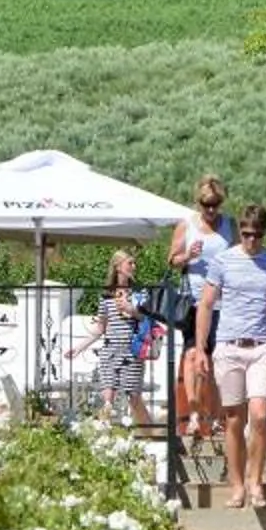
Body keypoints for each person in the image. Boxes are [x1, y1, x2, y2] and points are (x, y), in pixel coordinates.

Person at [194, 205, 266, 508]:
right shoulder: (223, 260)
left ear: (263, 234)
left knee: (261, 415)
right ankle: (237, 483)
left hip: (262, 345)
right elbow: (206, 305)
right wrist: (201, 349)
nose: (251, 240)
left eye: (257, 235)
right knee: (234, 419)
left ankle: (256, 480)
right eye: (247, 234)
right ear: (240, 231)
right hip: (229, 345)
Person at [165, 175, 231, 439]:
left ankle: (214, 417)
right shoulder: (186, 225)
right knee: (193, 355)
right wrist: (187, 256)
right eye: (206, 205)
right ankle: (193, 414)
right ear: (198, 203)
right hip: (194, 300)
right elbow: (172, 260)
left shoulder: (229, 226)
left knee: (216, 360)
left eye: (216, 204)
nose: (211, 210)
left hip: (223, 302)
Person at [84, 250, 151, 429]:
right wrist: (79, 347)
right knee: (108, 395)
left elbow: (149, 319)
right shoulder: (106, 295)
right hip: (110, 350)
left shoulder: (139, 293)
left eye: (134, 263)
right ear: (118, 267)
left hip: (132, 350)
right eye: (130, 263)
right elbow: (100, 327)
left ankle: (150, 431)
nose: (134, 267)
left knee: (133, 397)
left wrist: (132, 311)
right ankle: (103, 431)